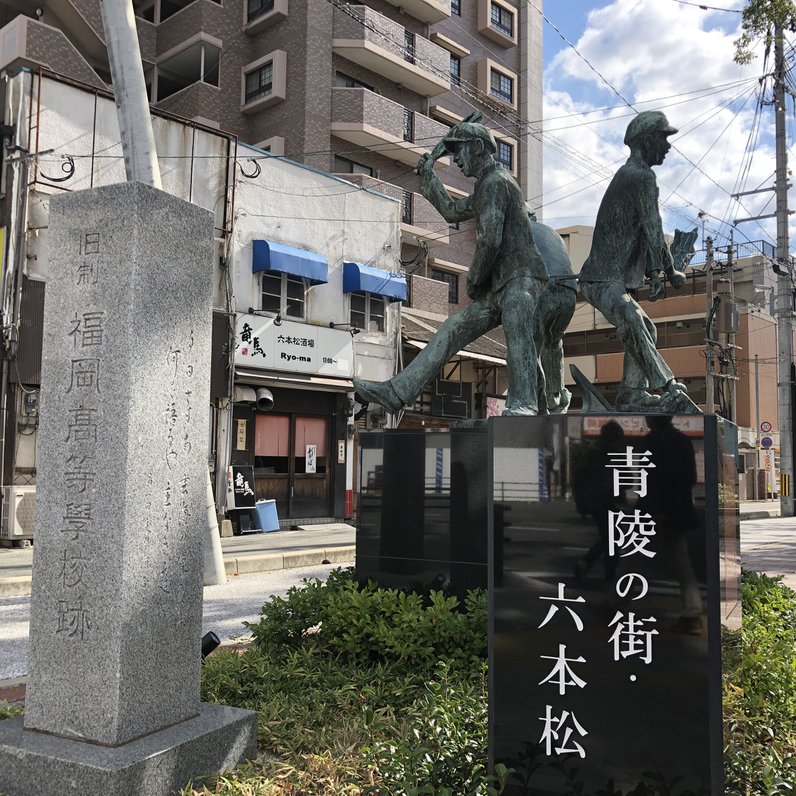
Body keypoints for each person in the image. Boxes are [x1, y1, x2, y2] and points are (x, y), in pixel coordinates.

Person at [354, 119, 548, 416]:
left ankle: (525, 405)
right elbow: (452, 210)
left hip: (522, 278)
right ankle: (397, 392)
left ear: (479, 148)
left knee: (518, 336)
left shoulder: (497, 182)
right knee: (452, 329)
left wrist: (472, 278)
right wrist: (429, 178)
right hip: (500, 284)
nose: (456, 159)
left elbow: (491, 240)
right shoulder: (487, 185)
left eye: (460, 152)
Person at [578, 111, 696, 412]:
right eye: (663, 139)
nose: (668, 147)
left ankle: (632, 392)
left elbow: (642, 233)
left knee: (646, 327)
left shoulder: (630, 174)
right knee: (632, 320)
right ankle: (667, 386)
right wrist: (671, 272)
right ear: (648, 141)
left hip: (607, 277)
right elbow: (653, 229)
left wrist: (658, 272)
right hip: (601, 278)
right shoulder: (640, 176)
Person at [528, 211, 577, 413]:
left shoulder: (520, 229)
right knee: (554, 341)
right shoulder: (552, 233)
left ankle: (536, 401)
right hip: (569, 292)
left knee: (530, 344)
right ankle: (555, 396)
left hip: (545, 288)